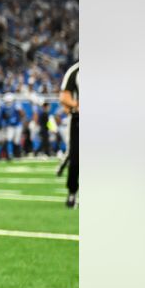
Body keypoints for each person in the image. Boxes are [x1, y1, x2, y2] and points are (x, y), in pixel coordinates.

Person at [59, 61, 79, 207]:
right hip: (78, 120)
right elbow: (64, 97)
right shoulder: (75, 71)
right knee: (75, 158)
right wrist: (76, 105)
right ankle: (72, 192)